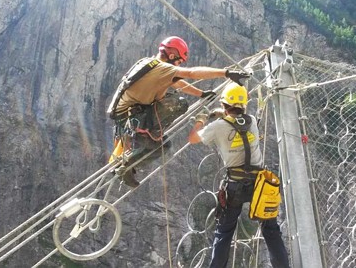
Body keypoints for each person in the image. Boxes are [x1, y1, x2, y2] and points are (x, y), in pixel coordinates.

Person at [108, 36, 250, 188]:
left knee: (164, 146)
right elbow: (191, 73)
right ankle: (127, 164)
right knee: (178, 104)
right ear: (172, 56)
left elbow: (177, 81)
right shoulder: (162, 68)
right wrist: (226, 73)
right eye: (179, 61)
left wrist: (201, 93)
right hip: (132, 120)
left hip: (125, 119)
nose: (179, 64)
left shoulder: (150, 64)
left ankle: (128, 164)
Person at [188, 83, 290, 268]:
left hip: (234, 185)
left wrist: (201, 120)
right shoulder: (251, 121)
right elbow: (236, 121)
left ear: (224, 105)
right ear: (244, 105)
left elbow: (193, 138)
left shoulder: (218, 126)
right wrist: (224, 114)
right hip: (260, 184)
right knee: (271, 230)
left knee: (224, 232)